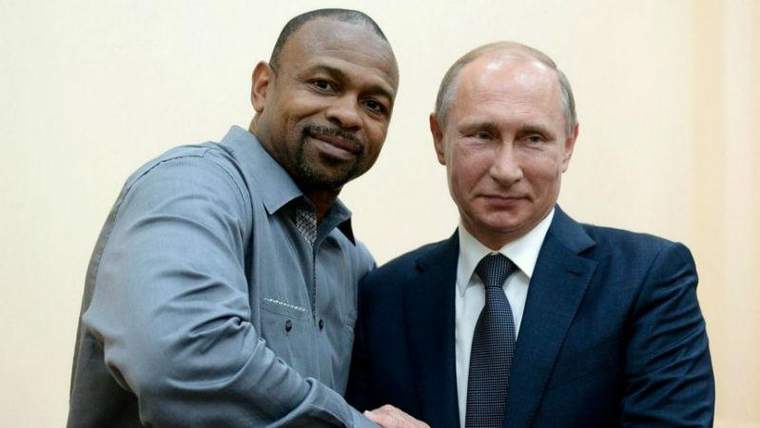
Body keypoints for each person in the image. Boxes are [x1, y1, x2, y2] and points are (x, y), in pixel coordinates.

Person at [67, 8, 425, 428]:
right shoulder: (189, 189)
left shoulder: (353, 262)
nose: (348, 115)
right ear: (262, 87)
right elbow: (183, 362)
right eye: (323, 84)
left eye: (374, 105)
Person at [346, 42, 715, 428]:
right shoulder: (385, 295)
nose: (506, 170)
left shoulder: (646, 279)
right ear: (440, 138)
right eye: (482, 135)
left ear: (568, 145)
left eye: (533, 138)